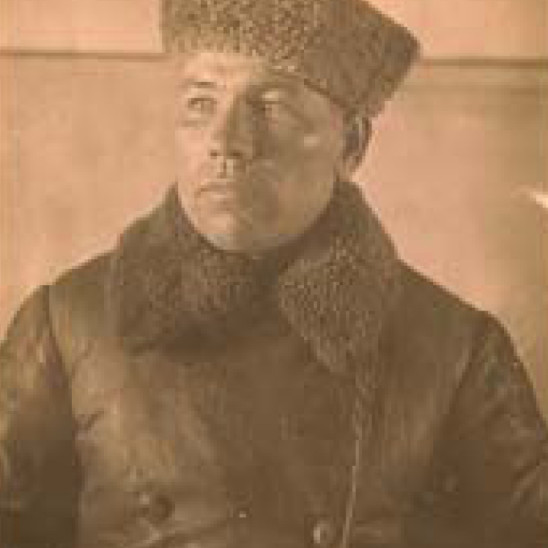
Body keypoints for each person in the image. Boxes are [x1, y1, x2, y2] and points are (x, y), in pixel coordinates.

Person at [1, 0, 547, 546]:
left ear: (351, 144)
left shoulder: (454, 348)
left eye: (271, 106)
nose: (226, 142)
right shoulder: (67, 324)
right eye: (200, 103)